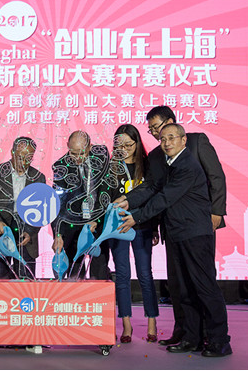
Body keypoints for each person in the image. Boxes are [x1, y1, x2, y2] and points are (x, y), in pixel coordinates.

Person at [116, 123, 232, 357]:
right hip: (178, 234)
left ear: (183, 140)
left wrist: (136, 217)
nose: (166, 143)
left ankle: (220, 340)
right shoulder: (170, 165)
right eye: (162, 139)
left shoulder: (187, 165)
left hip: (195, 235)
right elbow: (153, 188)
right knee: (185, 289)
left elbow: (164, 198)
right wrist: (128, 200)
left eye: (171, 138)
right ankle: (192, 338)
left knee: (204, 287)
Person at [143, 106, 227, 347]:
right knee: (178, 284)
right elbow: (157, 191)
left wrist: (216, 212)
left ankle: (213, 336)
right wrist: (155, 225)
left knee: (201, 281)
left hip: (198, 223)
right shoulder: (156, 155)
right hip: (173, 227)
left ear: (171, 122)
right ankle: (186, 333)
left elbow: (216, 176)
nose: (157, 135)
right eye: (152, 131)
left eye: (158, 127)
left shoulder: (196, 142)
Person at [108, 125, 160, 343]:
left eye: (129, 144)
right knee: (122, 275)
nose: (125, 149)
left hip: (142, 225)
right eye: (120, 145)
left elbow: (153, 197)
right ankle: (126, 324)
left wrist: (154, 227)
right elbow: (106, 198)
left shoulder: (147, 166)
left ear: (137, 143)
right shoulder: (111, 168)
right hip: (118, 227)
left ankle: (152, 321)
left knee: (145, 274)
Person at [0, 137, 46, 279]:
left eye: (28, 158)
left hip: (26, 237)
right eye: (20, 157)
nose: (24, 162)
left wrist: (30, 231)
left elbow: (42, 210)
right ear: (12, 152)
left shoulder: (38, 178)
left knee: (26, 283)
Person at [51, 131, 111, 280]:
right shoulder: (61, 167)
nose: (77, 158)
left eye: (82, 153)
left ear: (90, 147)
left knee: (99, 271)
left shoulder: (102, 157)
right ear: (67, 146)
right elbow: (58, 203)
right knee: (75, 275)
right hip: (73, 226)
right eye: (73, 153)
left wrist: (96, 219)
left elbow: (106, 191)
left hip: (98, 224)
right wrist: (58, 234)